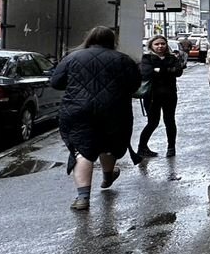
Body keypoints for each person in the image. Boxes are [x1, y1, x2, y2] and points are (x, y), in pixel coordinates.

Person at [48, 26, 142, 212]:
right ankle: (108, 175)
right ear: (112, 41)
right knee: (109, 144)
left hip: (78, 109)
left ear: (89, 39)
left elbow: (56, 83)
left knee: (82, 149)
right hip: (114, 109)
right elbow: (134, 85)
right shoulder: (123, 59)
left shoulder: (72, 57)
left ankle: (83, 198)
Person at [137, 35, 185, 158]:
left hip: (170, 94)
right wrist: (167, 70)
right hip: (152, 96)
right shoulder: (147, 58)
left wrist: (159, 70)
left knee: (170, 121)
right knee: (152, 122)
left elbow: (178, 71)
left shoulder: (171, 57)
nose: (160, 46)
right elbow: (146, 73)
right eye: (157, 44)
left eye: (162, 44)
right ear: (151, 46)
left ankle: (171, 148)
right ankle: (142, 148)